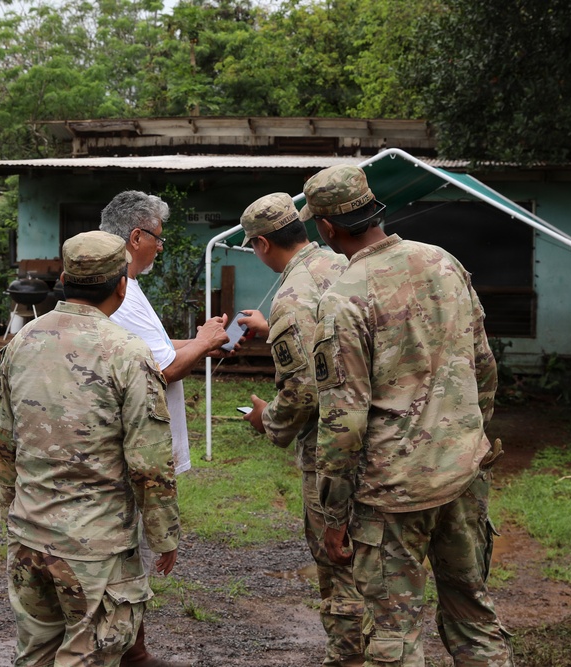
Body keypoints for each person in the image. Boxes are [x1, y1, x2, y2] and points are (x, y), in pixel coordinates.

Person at [304, 165, 513, 667]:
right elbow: (484, 365)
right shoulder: (442, 261)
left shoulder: (344, 298)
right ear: (374, 209)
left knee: (395, 636)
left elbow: (344, 421)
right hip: (462, 474)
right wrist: (472, 440)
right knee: (474, 615)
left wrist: (334, 517)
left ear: (326, 228)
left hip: (392, 495)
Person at [0, 230, 181, 667]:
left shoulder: (22, 342)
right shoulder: (127, 353)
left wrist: (13, 514)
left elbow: (5, 445)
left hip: (28, 536)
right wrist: (164, 535)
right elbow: (148, 462)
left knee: (35, 654)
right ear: (121, 284)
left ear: (64, 277)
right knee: (88, 656)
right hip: (93, 551)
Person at [233, 193, 364, 666]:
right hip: (379, 436)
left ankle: (349, 656)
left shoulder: (293, 296)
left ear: (262, 244)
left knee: (338, 559)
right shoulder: (340, 263)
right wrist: (276, 328)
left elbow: (304, 392)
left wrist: (265, 419)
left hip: (331, 446)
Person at [99, 190, 229, 667]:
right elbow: (163, 369)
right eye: (157, 237)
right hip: (133, 444)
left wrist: (201, 341)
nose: (160, 246)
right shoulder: (123, 291)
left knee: (124, 549)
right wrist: (201, 343)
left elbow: (154, 348)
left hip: (124, 442)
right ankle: (129, 652)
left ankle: (134, 649)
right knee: (123, 550)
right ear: (136, 236)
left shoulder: (122, 287)